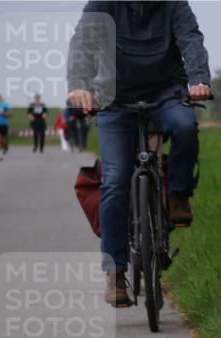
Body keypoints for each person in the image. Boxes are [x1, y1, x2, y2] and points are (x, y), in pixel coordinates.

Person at [68, 1, 212, 307]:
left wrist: (199, 79)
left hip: (165, 92)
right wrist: (79, 85)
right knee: (115, 181)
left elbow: (190, 38)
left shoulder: (174, 4)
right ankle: (116, 272)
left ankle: (178, 195)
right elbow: (83, 42)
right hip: (114, 97)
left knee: (185, 128)